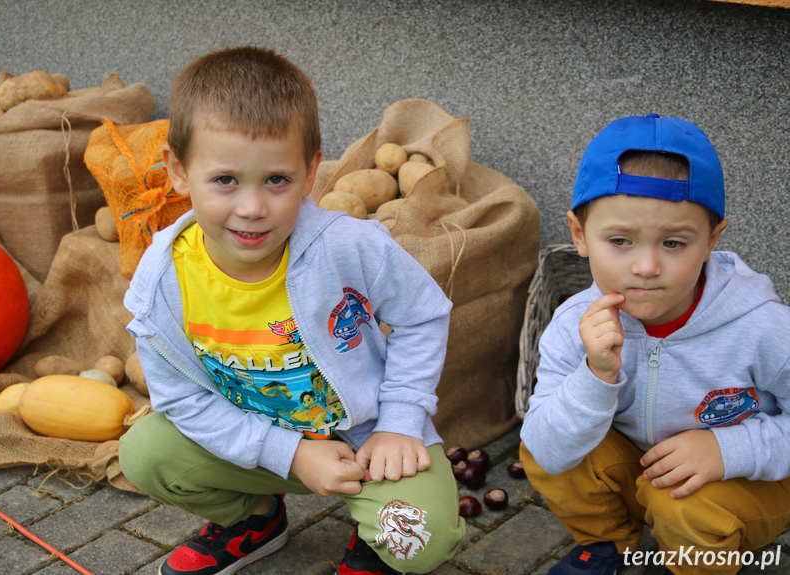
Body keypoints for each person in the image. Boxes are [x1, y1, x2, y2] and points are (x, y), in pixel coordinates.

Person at [118, 46, 464, 575]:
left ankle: (374, 547)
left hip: (364, 440)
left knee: (421, 537)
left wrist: (400, 422)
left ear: (310, 171)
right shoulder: (162, 281)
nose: (252, 208)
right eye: (226, 180)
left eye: (276, 180)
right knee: (145, 453)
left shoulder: (349, 246)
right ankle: (255, 520)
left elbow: (423, 314)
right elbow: (184, 401)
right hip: (253, 442)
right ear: (179, 171)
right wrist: (292, 454)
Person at [519, 114, 790, 575]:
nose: (646, 266)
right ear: (580, 235)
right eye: (620, 240)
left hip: (738, 483)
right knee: (549, 438)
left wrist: (729, 450)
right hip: (643, 469)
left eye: (673, 243)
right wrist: (595, 377)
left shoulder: (763, 327)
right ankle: (607, 546)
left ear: (711, 240)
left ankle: (693, 564)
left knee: (685, 508)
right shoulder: (573, 325)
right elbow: (546, 451)